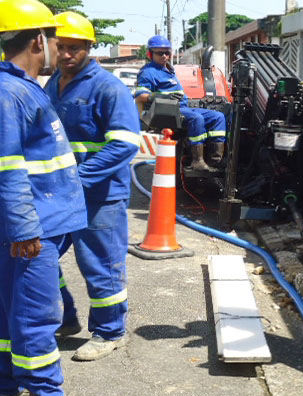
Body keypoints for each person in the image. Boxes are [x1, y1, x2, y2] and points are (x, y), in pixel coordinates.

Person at [0, 0, 87, 396]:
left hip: (21, 225)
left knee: (5, 312)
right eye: (55, 38)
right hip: (23, 230)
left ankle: (2, 387)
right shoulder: (7, 93)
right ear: (39, 39)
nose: (59, 47)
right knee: (36, 317)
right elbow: (1, 168)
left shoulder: (13, 89)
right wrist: (23, 228)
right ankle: (43, 391)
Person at [44, 11, 140, 361]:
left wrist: (78, 179)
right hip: (60, 195)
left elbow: (126, 143)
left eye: (75, 48)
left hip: (100, 196)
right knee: (41, 256)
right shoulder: (53, 83)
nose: (67, 54)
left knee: (100, 264)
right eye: (61, 47)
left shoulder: (108, 88)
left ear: (89, 48)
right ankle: (63, 318)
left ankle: (109, 331)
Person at [134, 35, 226, 172]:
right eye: (160, 53)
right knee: (197, 119)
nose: (165, 56)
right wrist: (158, 95)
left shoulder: (168, 70)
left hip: (184, 107)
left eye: (167, 53)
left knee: (218, 117)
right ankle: (197, 161)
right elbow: (140, 95)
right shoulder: (148, 72)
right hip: (169, 110)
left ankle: (215, 160)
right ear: (150, 54)